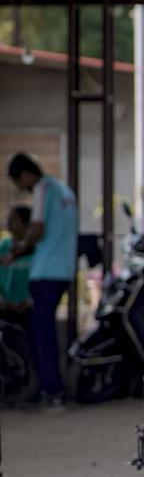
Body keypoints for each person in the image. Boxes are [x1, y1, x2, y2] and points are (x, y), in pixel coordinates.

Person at [4, 152, 78, 409]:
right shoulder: (65, 190)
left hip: (46, 270)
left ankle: (51, 390)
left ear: (25, 175)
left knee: (42, 335)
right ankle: (52, 387)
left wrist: (19, 249)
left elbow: (37, 228)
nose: (21, 189)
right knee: (45, 332)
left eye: (19, 182)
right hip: (64, 269)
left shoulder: (43, 188)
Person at [0, 206, 33, 314]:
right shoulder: (3, 246)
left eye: (14, 218)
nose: (9, 221)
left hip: (28, 306)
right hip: (5, 305)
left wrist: (29, 300)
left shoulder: (36, 248)